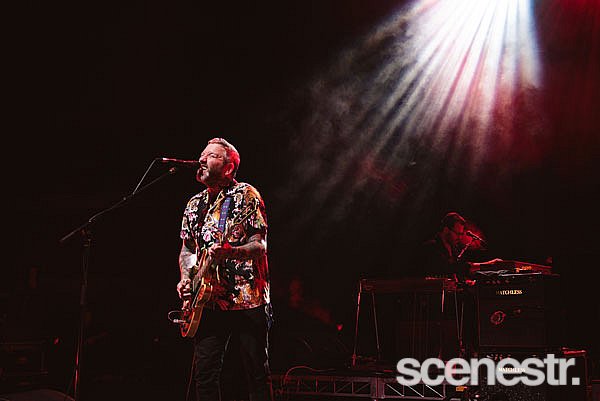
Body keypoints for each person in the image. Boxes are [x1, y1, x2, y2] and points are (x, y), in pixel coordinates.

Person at [176, 137, 273, 401]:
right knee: (205, 376)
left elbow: (259, 245)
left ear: (229, 168)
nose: (202, 159)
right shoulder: (194, 204)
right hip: (208, 301)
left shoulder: (246, 195)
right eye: (202, 154)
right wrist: (186, 278)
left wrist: (230, 252)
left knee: (256, 374)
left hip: (247, 298)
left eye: (211, 155)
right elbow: (188, 249)